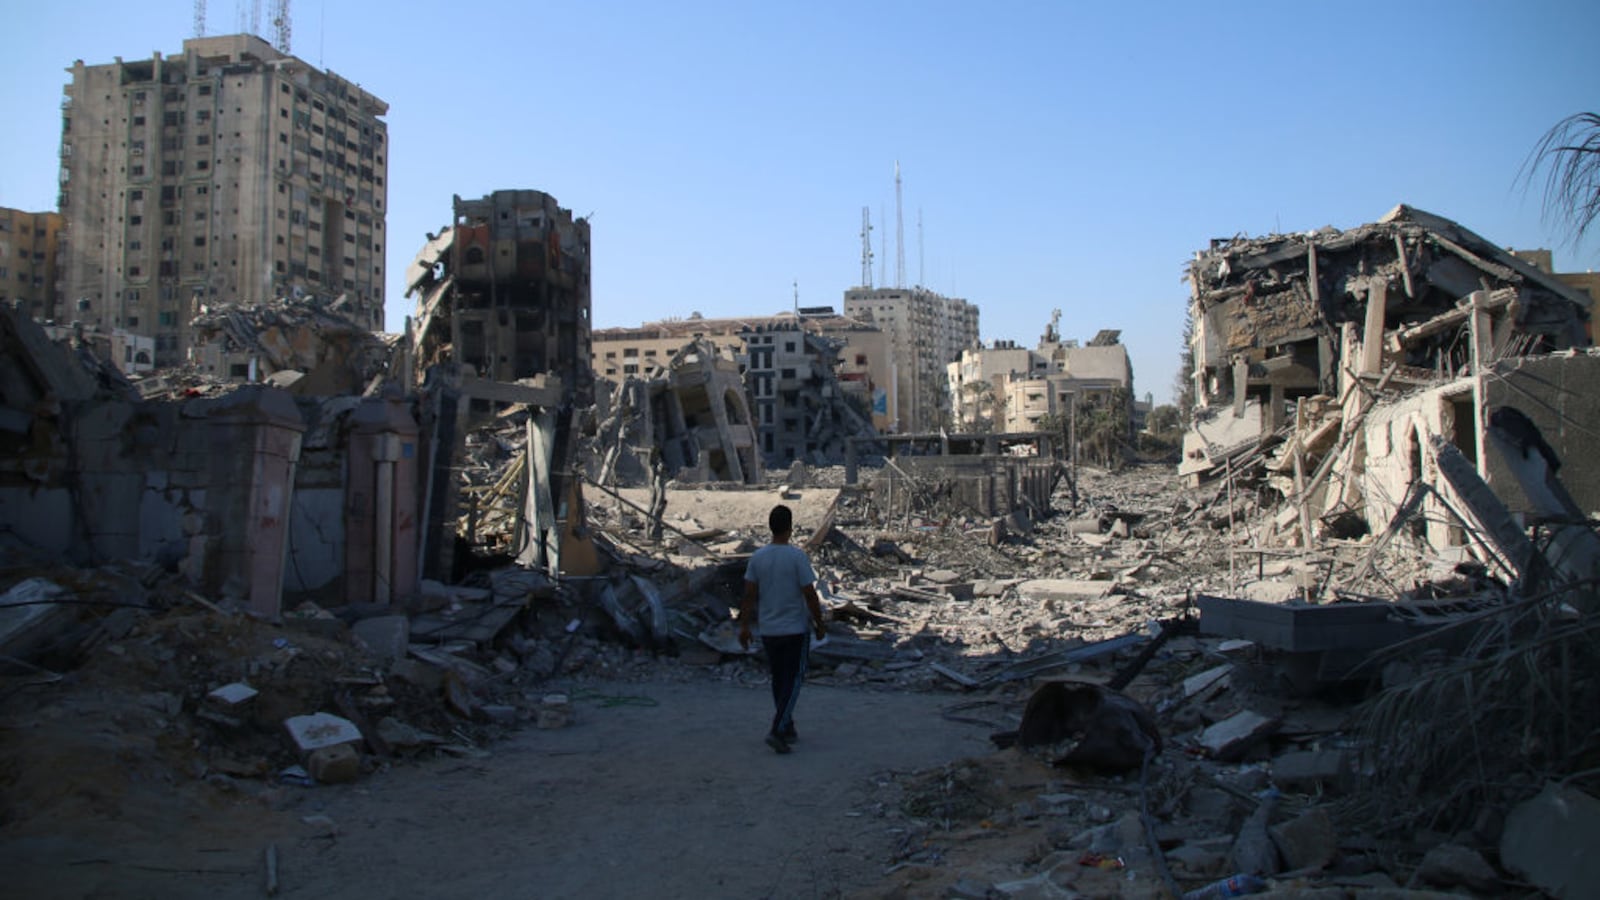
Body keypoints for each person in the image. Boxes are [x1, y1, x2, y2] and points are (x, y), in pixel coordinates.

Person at [738, 504, 827, 754]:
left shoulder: (758, 558)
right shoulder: (797, 557)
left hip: (769, 630)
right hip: (795, 629)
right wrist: (819, 623)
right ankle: (777, 729)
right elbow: (810, 595)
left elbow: (748, 596)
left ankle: (787, 725)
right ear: (789, 528)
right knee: (794, 679)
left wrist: (744, 627)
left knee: (779, 679)